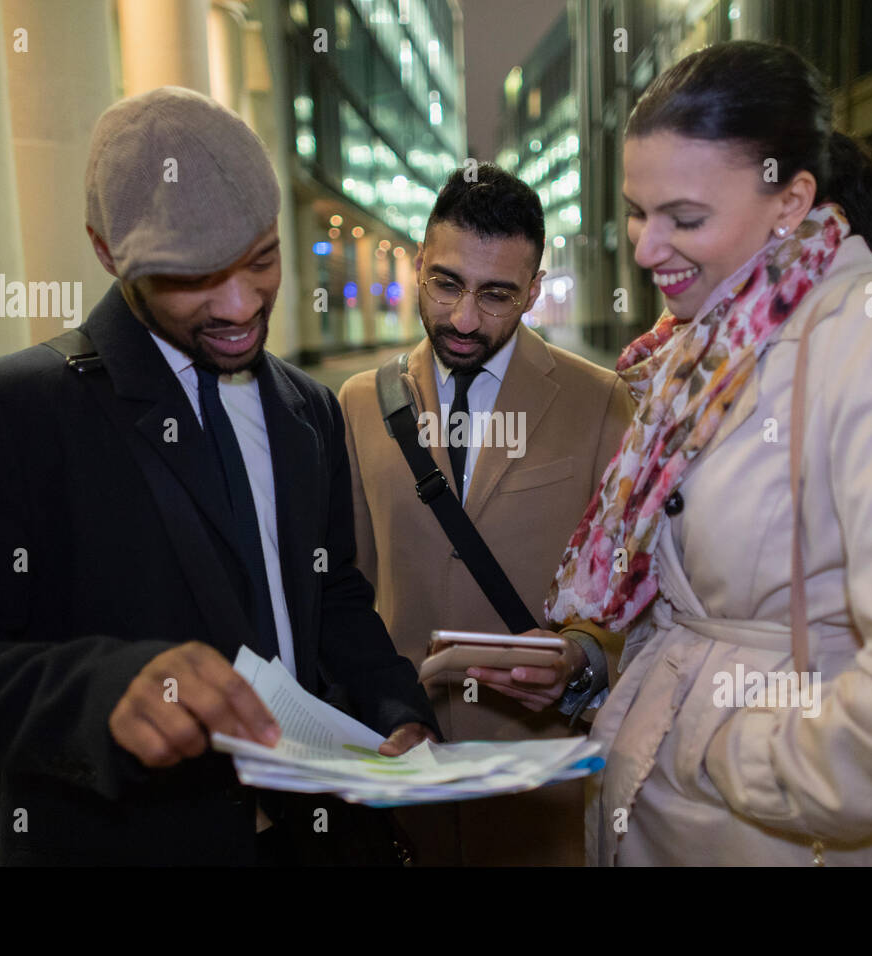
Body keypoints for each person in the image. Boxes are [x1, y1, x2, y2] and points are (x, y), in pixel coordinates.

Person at [0, 86, 437, 866]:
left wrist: (396, 709)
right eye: (193, 277)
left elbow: (330, 596)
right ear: (106, 252)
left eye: (261, 261)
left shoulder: (308, 410)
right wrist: (99, 691)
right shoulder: (12, 411)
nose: (239, 304)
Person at [492, 41, 872, 865]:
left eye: (685, 217)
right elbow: (702, 617)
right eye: (638, 212)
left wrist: (723, 751)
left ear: (793, 199)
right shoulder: (703, 352)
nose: (644, 248)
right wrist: (592, 671)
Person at [338, 163, 635, 865]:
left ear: (534, 291)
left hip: (540, 785)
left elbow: (634, 594)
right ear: (417, 266)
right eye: (446, 284)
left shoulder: (601, 404)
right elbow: (345, 590)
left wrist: (586, 660)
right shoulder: (356, 405)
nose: (465, 319)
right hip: (404, 776)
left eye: (497, 294)